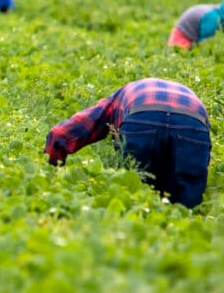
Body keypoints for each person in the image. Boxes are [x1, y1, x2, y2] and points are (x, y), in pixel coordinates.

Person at [45, 78, 211, 209]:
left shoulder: (118, 98)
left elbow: (73, 129)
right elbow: (201, 152)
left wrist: (52, 168)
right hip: (193, 122)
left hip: (143, 116)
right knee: (187, 205)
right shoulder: (191, 98)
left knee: (133, 191)